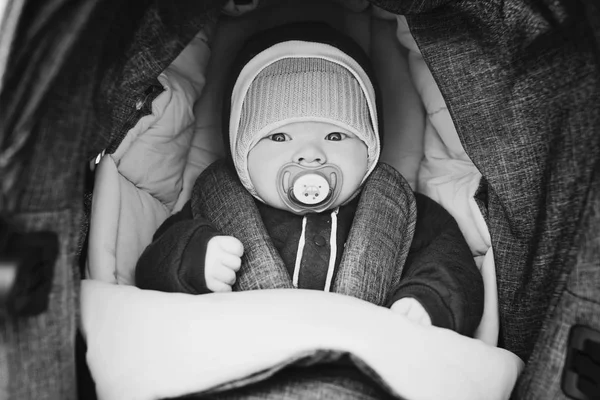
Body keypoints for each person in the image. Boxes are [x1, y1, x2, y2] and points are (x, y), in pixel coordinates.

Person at [135, 22, 484, 336]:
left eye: (335, 137)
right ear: (240, 151)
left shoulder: (404, 210)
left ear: (371, 147)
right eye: (279, 137)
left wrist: (427, 301)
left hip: (364, 357)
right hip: (243, 350)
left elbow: (453, 265)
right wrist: (195, 259)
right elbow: (153, 264)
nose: (310, 155)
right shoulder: (213, 207)